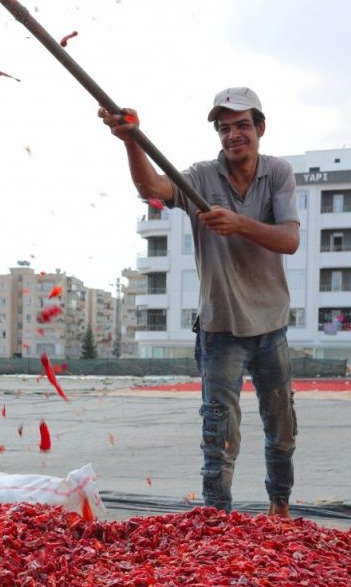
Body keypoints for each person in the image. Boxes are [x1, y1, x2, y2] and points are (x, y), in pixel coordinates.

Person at [99, 87, 300, 517]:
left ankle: (279, 506)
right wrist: (132, 141)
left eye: (242, 125)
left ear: (260, 128)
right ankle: (216, 519)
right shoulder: (201, 178)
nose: (233, 135)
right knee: (219, 433)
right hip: (220, 328)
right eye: (224, 128)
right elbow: (151, 187)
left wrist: (239, 223)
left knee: (281, 426)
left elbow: (289, 239)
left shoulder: (278, 173)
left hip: (271, 326)